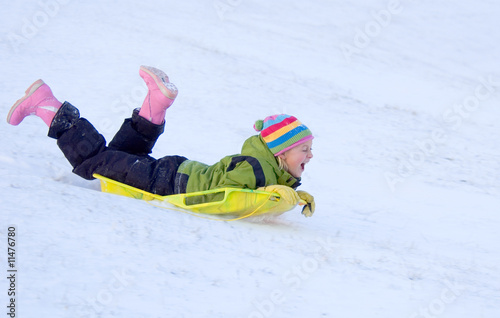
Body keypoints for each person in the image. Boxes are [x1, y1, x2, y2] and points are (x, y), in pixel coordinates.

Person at [6, 66, 315, 217]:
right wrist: (275, 192)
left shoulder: (265, 167)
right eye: (304, 149)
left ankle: (156, 104)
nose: (310, 155)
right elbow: (228, 195)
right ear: (280, 151)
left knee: (120, 155)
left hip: (173, 175)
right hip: (166, 182)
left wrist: (287, 192)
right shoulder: (257, 168)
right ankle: (47, 105)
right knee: (93, 162)